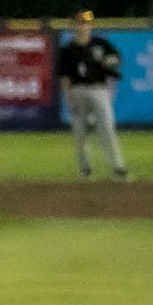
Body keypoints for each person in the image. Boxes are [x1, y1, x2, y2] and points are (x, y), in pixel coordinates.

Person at [56, 11, 129, 181]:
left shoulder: (100, 43)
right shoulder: (67, 49)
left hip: (99, 89)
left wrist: (109, 61)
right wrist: (68, 97)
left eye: (86, 23)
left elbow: (117, 59)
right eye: (80, 23)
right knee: (80, 133)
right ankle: (85, 170)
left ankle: (118, 168)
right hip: (77, 91)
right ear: (72, 26)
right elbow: (64, 77)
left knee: (107, 129)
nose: (83, 26)